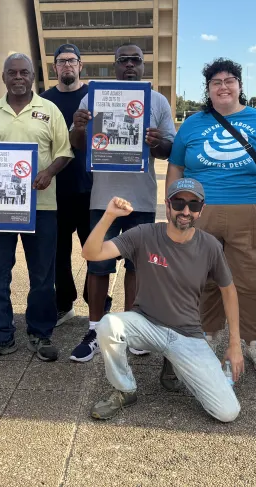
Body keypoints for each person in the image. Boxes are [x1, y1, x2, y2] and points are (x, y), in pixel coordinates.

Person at [84, 179, 242, 422]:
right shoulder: (144, 234)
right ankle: (125, 389)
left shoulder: (210, 246)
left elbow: (228, 291)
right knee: (108, 325)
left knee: (227, 412)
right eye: (179, 203)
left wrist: (235, 344)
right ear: (167, 205)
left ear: (202, 209)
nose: (186, 211)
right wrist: (109, 216)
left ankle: (173, 362)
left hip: (186, 335)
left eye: (193, 204)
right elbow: (91, 253)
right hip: (146, 323)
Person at [167, 58, 256, 374]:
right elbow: (176, 164)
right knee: (203, 279)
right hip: (200, 211)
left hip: (253, 211)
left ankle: (252, 338)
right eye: (216, 82)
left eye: (229, 80)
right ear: (208, 90)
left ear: (240, 85)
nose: (223, 86)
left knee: (249, 281)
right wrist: (172, 203)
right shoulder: (193, 123)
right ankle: (207, 333)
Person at [69, 44, 176, 363]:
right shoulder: (92, 98)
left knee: (137, 266)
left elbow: (169, 149)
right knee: (98, 265)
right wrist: (79, 126)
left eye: (136, 60)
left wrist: (157, 142)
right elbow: (77, 145)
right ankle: (95, 329)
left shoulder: (156, 101)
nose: (129, 64)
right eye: (123, 60)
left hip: (141, 197)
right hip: (102, 197)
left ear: (144, 65)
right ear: (114, 65)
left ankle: (132, 329)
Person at [0, 53, 73, 363]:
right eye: (12, 72)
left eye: (24, 72)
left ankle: (40, 333)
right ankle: (0, 335)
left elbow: (65, 152)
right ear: (3, 77)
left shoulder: (50, 110)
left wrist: (49, 172)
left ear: (33, 77)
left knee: (42, 274)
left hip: (42, 206)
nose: (18, 77)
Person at [40, 44, 92, 326]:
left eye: (72, 60)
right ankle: (64, 302)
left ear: (80, 65)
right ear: (55, 67)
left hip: (89, 188)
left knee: (94, 250)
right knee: (57, 253)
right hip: (54, 189)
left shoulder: (94, 97)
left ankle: (96, 300)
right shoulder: (44, 101)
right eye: (62, 61)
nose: (67, 66)